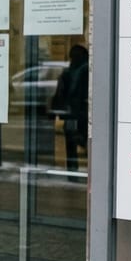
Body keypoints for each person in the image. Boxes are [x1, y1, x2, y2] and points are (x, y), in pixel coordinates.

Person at [51, 44, 89, 172]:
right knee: (84, 142)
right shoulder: (86, 70)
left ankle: (72, 171)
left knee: (71, 143)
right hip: (82, 113)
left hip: (71, 113)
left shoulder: (69, 72)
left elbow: (61, 93)